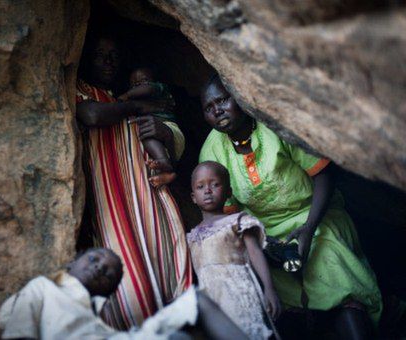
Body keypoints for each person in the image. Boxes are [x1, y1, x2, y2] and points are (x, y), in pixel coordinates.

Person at [199, 74, 382, 339]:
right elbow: (228, 216)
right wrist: (265, 244)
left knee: (332, 265)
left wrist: (308, 230)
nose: (218, 110)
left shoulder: (274, 125)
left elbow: (324, 175)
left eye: (223, 99)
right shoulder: (212, 152)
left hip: (315, 215)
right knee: (266, 288)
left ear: (239, 96)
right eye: (208, 107)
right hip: (263, 234)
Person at [75, 34, 192, 329]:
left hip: (151, 195)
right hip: (109, 201)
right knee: (127, 281)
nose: (108, 61)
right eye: (100, 54)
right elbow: (91, 115)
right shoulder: (83, 91)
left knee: (168, 262)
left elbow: (173, 136)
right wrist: (137, 108)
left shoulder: (134, 93)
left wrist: (163, 131)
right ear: (87, 59)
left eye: (114, 54)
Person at [0, 248, 248, 340]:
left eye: (108, 273)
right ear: (71, 263)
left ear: (109, 292)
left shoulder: (95, 319)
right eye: (94, 258)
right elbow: (18, 334)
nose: (99, 267)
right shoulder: (43, 288)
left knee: (194, 309)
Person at [188, 161, 280, 339]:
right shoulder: (191, 236)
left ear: (228, 192)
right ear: (193, 197)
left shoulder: (237, 221)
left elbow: (255, 253)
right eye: (201, 187)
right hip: (212, 300)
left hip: (241, 294)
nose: (208, 190)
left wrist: (269, 288)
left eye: (215, 184)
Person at [118, 66, 177, 187]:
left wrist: (126, 95)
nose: (138, 86)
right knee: (147, 135)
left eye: (143, 81)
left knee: (148, 134)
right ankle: (167, 173)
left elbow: (147, 89)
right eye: (134, 84)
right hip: (158, 136)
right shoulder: (139, 104)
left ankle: (164, 162)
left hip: (169, 127)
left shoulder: (159, 88)